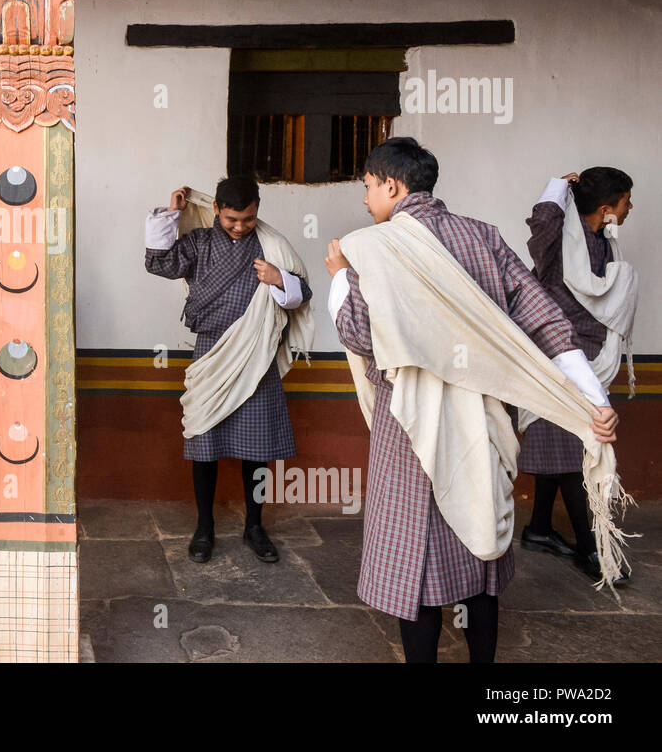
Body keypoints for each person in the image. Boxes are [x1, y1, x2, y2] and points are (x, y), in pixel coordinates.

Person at [325, 137, 620, 663]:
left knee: (416, 572)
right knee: (480, 557)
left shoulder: (369, 248)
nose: (366, 199)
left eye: (368, 187)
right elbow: (544, 319)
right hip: (483, 418)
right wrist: (592, 400)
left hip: (412, 429)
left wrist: (340, 280)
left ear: (392, 185)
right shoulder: (483, 236)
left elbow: (362, 336)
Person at [145, 175, 313, 565]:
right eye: (232, 219)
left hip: (256, 354)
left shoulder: (272, 246)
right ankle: (204, 527)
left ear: (258, 211)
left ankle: (254, 526)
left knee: (258, 451)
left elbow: (302, 294)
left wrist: (279, 279)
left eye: (249, 219)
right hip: (212, 351)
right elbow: (159, 263)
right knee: (204, 444)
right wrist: (172, 214)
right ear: (217, 210)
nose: (240, 226)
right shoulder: (200, 243)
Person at [519, 168, 636, 583]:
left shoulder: (603, 243)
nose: (630, 208)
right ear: (607, 209)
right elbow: (542, 224)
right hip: (559, 358)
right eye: (625, 201)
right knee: (573, 454)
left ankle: (538, 530)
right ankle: (593, 552)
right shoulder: (558, 243)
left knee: (557, 444)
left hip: (590, 356)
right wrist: (556, 185)